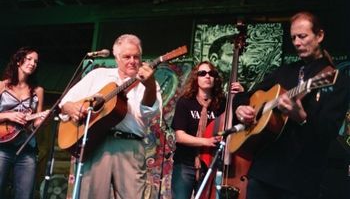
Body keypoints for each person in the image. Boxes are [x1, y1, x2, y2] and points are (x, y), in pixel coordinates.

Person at [234, 11, 349, 199]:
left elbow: (329, 132)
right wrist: (240, 108)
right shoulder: (284, 72)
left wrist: (302, 118)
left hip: (300, 179)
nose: (296, 43)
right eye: (293, 37)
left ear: (319, 35)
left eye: (302, 36)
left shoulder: (335, 79)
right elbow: (246, 96)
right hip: (263, 172)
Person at [59, 34, 162, 199]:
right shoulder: (98, 75)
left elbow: (149, 111)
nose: (132, 61)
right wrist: (72, 108)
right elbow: (64, 103)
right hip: (96, 143)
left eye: (136, 57)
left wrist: (149, 86)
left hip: (130, 146)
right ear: (116, 57)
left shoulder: (149, 82)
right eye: (127, 57)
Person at [171, 61, 244, 199]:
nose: (207, 76)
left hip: (210, 165)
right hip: (185, 164)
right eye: (202, 73)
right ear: (196, 78)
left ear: (215, 78)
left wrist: (241, 96)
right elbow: (180, 136)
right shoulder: (185, 102)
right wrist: (206, 141)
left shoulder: (223, 104)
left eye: (211, 73)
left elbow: (239, 124)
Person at [0, 47, 46, 199]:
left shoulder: (38, 91)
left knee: (25, 195)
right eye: (29, 59)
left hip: (26, 149)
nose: (33, 63)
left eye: (36, 61)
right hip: (2, 148)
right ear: (19, 61)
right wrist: (9, 115)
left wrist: (42, 120)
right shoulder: (2, 86)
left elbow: (36, 123)